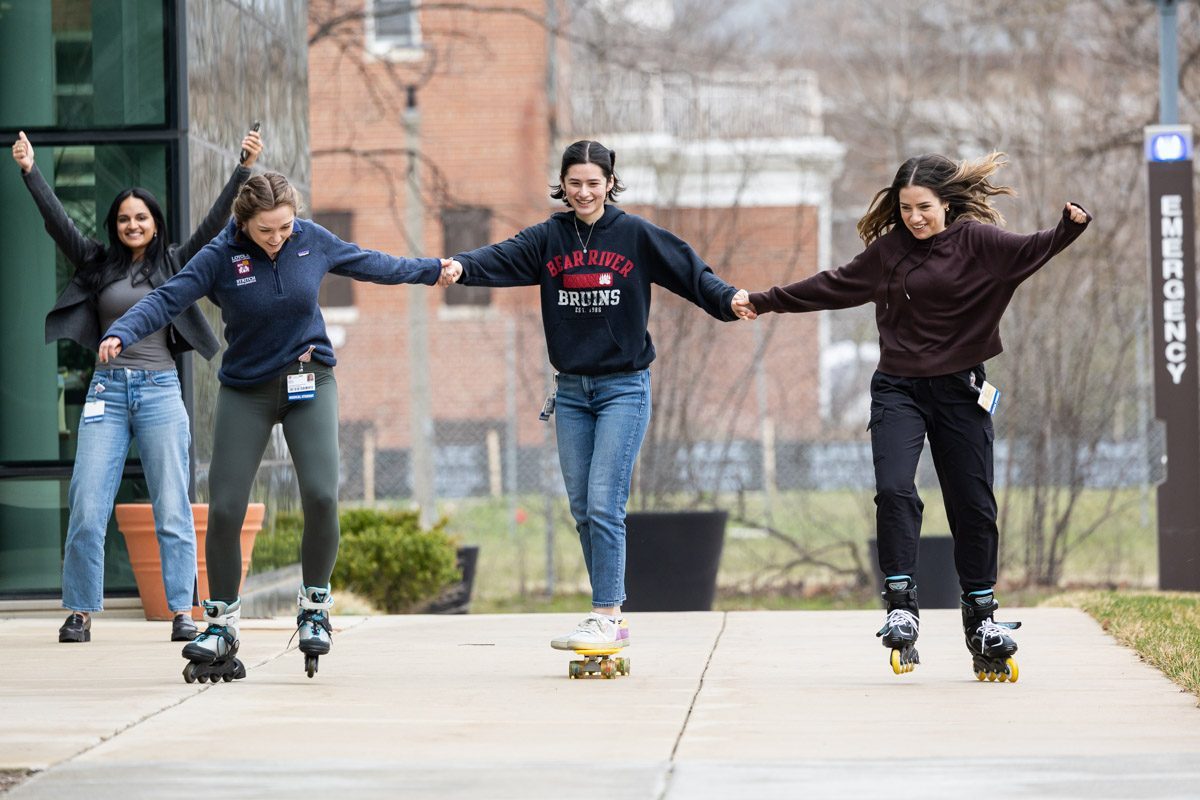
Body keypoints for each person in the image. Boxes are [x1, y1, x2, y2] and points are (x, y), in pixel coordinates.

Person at [734, 152, 1090, 680]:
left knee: (973, 503)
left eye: (923, 207)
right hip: (898, 388)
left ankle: (983, 617)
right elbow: (831, 285)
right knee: (896, 488)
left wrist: (1068, 226)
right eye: (905, 208)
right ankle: (901, 603)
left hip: (961, 390)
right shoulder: (889, 253)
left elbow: (1032, 250)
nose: (914, 218)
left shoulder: (978, 244)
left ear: (947, 204)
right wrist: (763, 301)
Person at [99, 171, 460, 682]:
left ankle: (314, 607)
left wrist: (431, 270)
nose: (278, 238)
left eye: (285, 227)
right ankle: (220, 622)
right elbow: (167, 298)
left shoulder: (311, 240)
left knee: (320, 494)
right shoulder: (220, 257)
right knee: (224, 507)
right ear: (244, 223)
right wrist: (122, 330)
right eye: (266, 231)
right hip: (246, 390)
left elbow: (374, 263)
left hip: (308, 379)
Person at [446, 139, 749, 654]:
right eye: (574, 183)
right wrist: (457, 266)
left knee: (606, 502)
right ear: (561, 185)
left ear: (611, 183)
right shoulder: (549, 238)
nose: (584, 192)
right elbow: (500, 257)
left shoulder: (634, 234)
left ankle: (605, 614)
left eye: (594, 182)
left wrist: (729, 298)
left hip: (622, 389)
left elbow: (689, 270)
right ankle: (608, 613)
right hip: (571, 392)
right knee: (583, 507)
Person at [11, 127, 263, 644]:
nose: (132, 224)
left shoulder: (175, 262)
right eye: (124, 218)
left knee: (172, 503)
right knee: (86, 504)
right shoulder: (98, 265)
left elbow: (217, 224)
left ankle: (180, 611)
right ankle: (80, 610)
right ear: (115, 225)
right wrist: (31, 172)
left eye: (140, 217)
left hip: (159, 393)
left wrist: (242, 168)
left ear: (154, 224)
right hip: (106, 393)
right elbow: (58, 225)